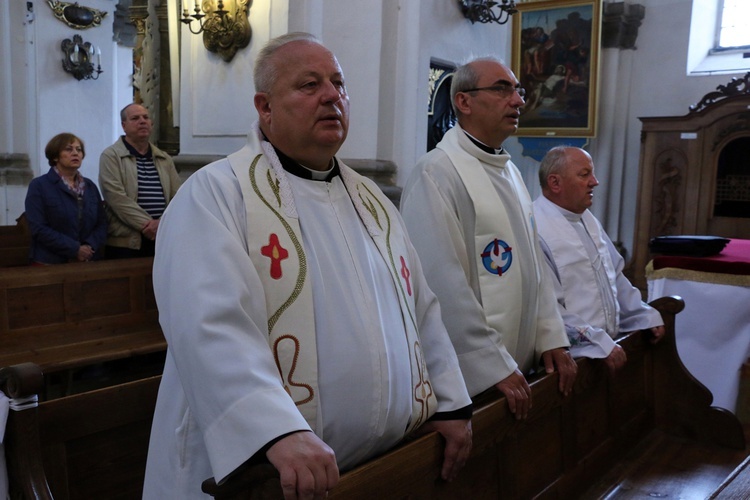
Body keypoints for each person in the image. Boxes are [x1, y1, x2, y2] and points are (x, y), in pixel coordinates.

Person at [143, 32, 473, 499]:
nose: (331, 96)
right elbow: (208, 324)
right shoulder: (217, 193)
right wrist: (276, 430)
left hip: (377, 465)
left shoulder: (372, 200)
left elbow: (420, 309)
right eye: (309, 84)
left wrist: (450, 403)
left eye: (338, 84)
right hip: (260, 472)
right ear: (265, 106)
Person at [400, 57, 576, 421]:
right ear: (463, 102)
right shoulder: (436, 173)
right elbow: (440, 282)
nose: (518, 101)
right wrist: (489, 363)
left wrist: (549, 335)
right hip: (473, 381)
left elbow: (534, 265)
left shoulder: (510, 171)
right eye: (502, 89)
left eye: (518, 90)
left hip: (521, 368)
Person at [533, 146, 665, 374]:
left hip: (606, 347)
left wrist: (643, 314)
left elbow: (613, 275)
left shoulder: (587, 219)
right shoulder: (535, 228)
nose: (595, 182)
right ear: (555, 183)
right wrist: (596, 342)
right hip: (573, 360)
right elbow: (545, 306)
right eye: (584, 175)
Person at [98, 103, 181, 258]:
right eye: (135, 118)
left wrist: (162, 224)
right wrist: (148, 226)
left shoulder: (164, 158)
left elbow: (178, 197)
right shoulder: (111, 156)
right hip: (127, 242)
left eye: (145, 117)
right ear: (124, 126)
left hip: (162, 239)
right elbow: (116, 198)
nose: (142, 121)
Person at [24, 133, 107, 264]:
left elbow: (102, 223)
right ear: (55, 156)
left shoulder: (90, 186)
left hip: (88, 260)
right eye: (69, 149)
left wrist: (89, 247)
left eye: (78, 150)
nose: (75, 153)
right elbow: (38, 228)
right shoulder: (40, 185)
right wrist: (75, 249)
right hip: (51, 262)